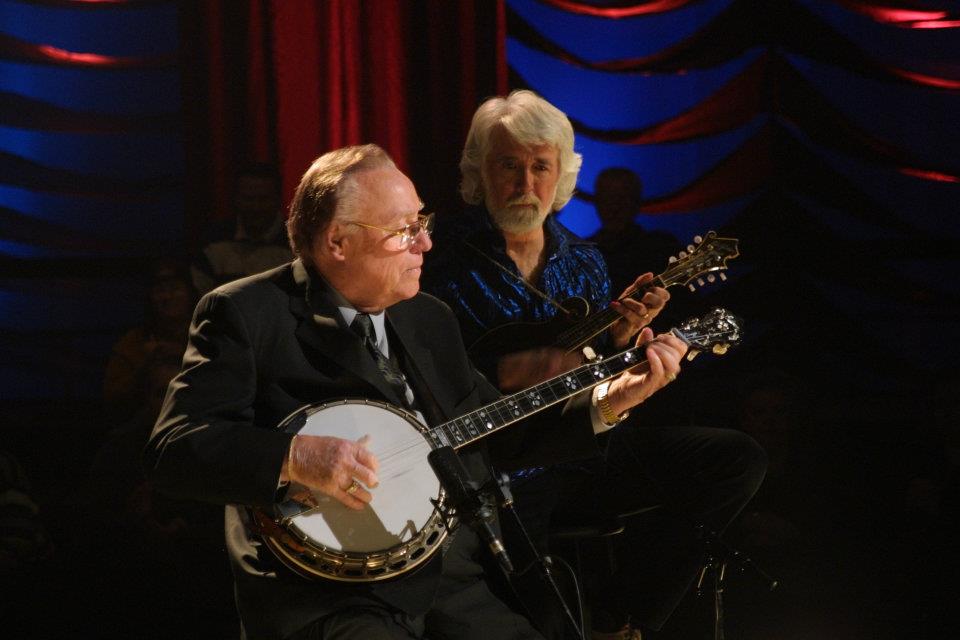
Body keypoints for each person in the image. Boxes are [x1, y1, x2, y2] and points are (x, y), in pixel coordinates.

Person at [144, 143, 685, 640]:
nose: (427, 241)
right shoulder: (246, 312)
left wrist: (610, 401)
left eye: (422, 221)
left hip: (453, 581)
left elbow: (488, 432)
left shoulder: (428, 318)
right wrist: (293, 456)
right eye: (405, 229)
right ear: (337, 241)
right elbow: (175, 448)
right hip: (328, 597)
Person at [422, 90, 766, 639]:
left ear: (560, 177)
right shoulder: (437, 260)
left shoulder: (584, 262)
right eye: (508, 165)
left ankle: (621, 621)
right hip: (493, 468)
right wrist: (516, 371)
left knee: (733, 459)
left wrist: (620, 340)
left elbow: (589, 379)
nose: (524, 183)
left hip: (579, 450)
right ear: (478, 172)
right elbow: (432, 372)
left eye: (540, 167)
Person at [103, 260, 197, 422]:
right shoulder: (134, 342)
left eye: (175, 289)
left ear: (189, 293)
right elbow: (112, 398)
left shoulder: (208, 337)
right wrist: (145, 364)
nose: (167, 297)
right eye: (160, 290)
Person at [191, 162, 293, 294]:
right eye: (249, 199)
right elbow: (200, 298)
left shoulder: (297, 241)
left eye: (263, 199)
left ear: (278, 200)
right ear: (236, 199)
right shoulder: (214, 241)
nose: (256, 207)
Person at [588, 167, 681, 296]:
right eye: (607, 197)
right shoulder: (582, 253)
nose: (614, 206)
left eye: (622, 198)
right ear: (597, 201)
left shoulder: (662, 248)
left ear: (637, 202)